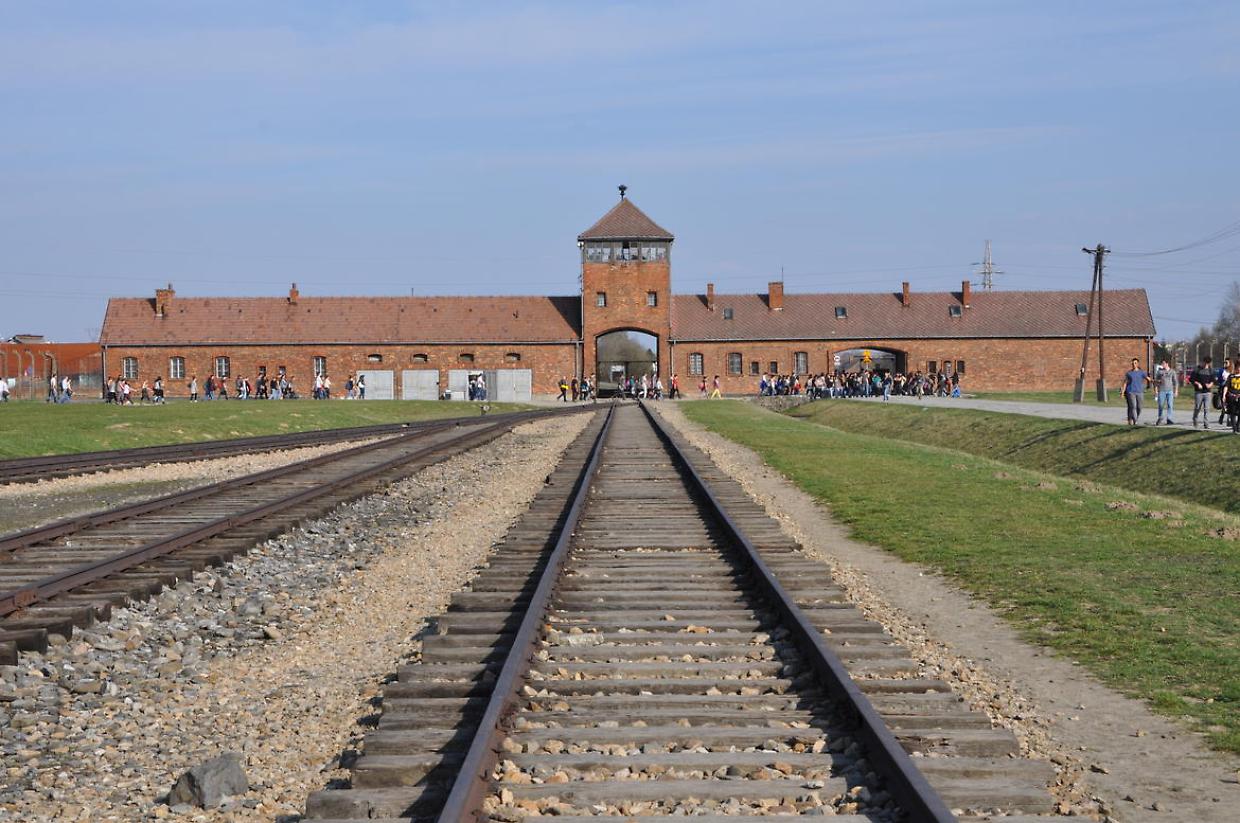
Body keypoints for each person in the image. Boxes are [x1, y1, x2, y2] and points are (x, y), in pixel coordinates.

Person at [1121, 357, 1148, 426]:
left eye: (1135, 363)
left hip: (1140, 392)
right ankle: (1135, 421)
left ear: (1138, 364)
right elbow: (1125, 383)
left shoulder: (1141, 372)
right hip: (1131, 392)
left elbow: (1148, 378)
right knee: (1133, 406)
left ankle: (1134, 418)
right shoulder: (1129, 373)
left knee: (1139, 407)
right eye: (1132, 363)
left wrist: (1154, 381)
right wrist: (1123, 392)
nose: (1134, 364)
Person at [1189, 357, 1215, 429]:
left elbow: (1213, 380)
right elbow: (1191, 379)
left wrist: (1210, 385)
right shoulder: (1197, 369)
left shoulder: (1211, 370)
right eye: (1205, 363)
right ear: (1202, 362)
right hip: (1199, 392)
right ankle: (1195, 419)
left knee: (1206, 408)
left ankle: (1206, 423)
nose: (1205, 365)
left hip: (1207, 392)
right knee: (1197, 407)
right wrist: (1197, 384)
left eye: (1207, 364)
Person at [1153, 358, 1178, 425]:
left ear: (1167, 364)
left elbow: (1175, 382)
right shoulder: (1159, 372)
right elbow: (1155, 382)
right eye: (1162, 363)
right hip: (1162, 391)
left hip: (1170, 391)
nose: (1162, 365)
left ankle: (1169, 419)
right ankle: (1160, 417)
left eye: (1163, 363)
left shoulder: (1172, 371)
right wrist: (1156, 390)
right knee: (1161, 405)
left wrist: (1176, 391)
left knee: (1170, 405)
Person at [1225, 365, 1240, 434]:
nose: (1239, 369)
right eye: (1238, 368)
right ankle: (1234, 428)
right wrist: (1223, 395)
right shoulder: (1231, 376)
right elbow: (1226, 386)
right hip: (1231, 396)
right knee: (1232, 412)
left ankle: (1238, 426)